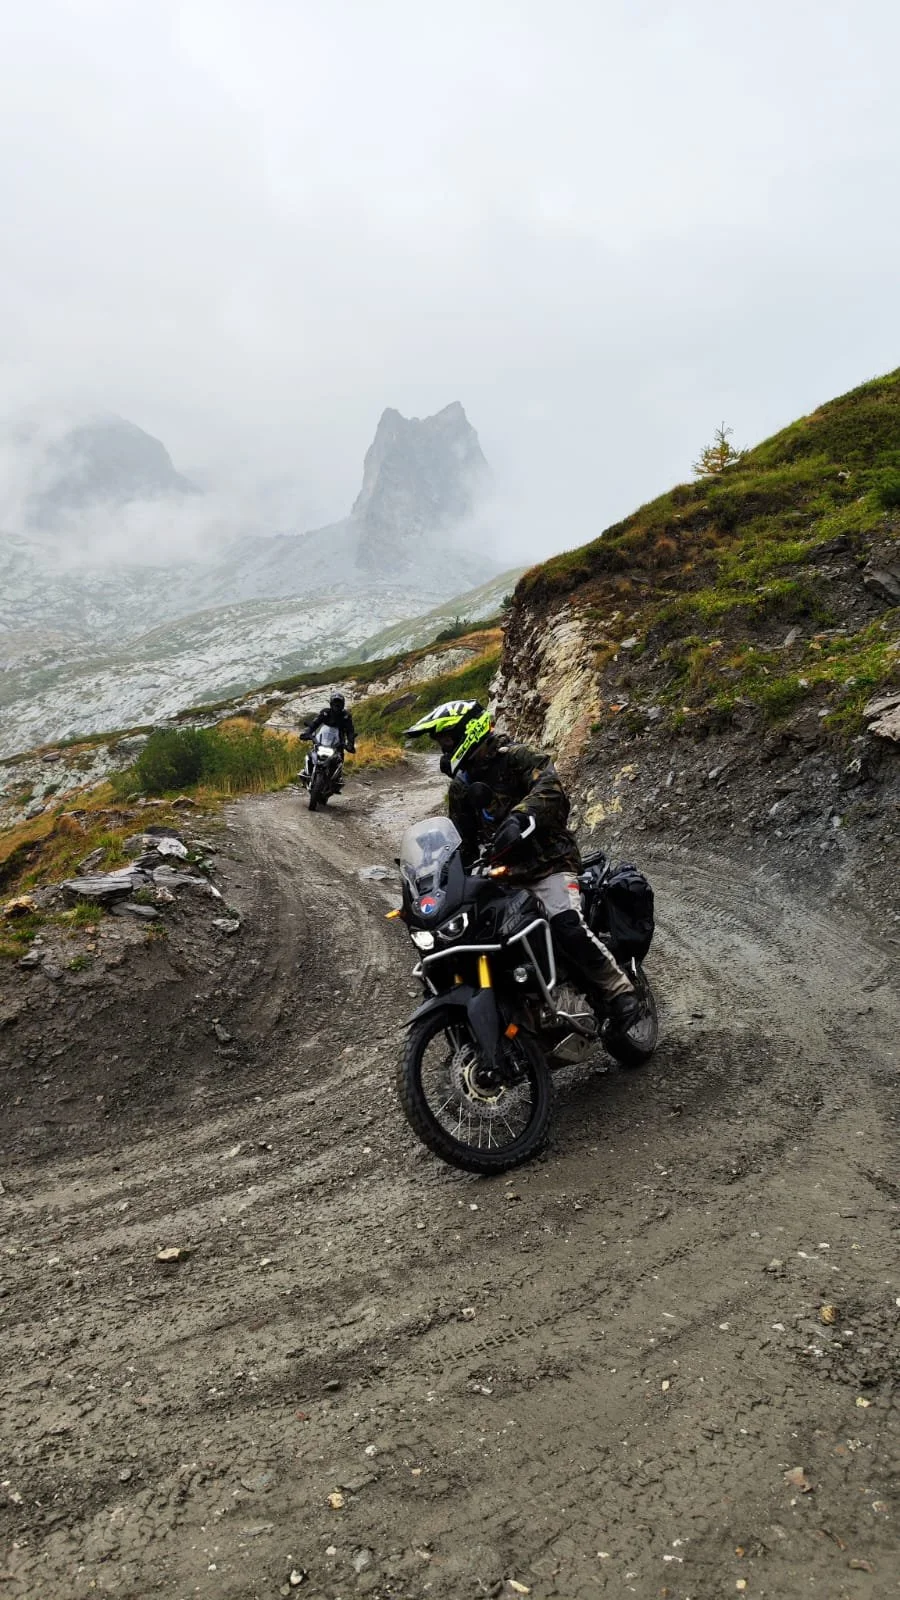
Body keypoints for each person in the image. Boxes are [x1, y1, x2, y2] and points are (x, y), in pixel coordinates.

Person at [404, 699, 641, 1031]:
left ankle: (620, 992)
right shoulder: (461, 785)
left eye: (445, 738)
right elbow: (464, 840)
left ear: (466, 731)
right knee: (473, 934)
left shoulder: (515, 756)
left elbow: (552, 788)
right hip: (503, 874)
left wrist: (522, 816)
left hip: (549, 862)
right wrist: (439, 873)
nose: (443, 747)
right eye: (439, 741)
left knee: (564, 921)